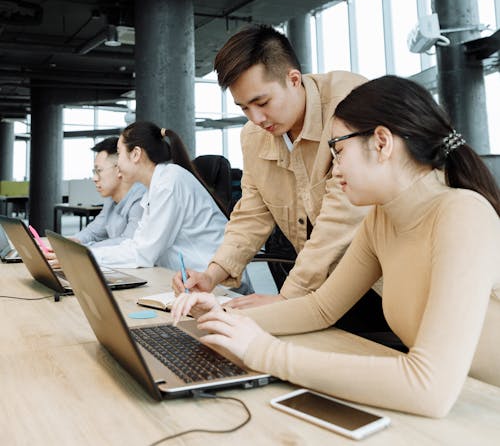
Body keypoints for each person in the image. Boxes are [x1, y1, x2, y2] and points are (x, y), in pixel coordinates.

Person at [171, 75, 500, 417]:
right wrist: (222, 316)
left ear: (382, 143)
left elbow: (428, 387)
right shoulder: (380, 219)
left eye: (339, 151)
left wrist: (264, 352)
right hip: (466, 404)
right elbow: (321, 308)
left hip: (481, 412)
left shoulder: (463, 214)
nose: (335, 170)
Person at [173, 25, 368, 312]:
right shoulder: (253, 137)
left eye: (262, 102)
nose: (256, 118)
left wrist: (289, 297)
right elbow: (251, 213)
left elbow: (343, 217)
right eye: (244, 108)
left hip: (382, 280)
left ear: (293, 79)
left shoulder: (349, 102)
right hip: (324, 288)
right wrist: (211, 275)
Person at [85, 122, 229, 271]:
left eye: (119, 153)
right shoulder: (156, 187)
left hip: (218, 284)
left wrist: (88, 256)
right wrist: (89, 254)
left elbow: (143, 253)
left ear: (135, 154)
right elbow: (137, 244)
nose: (117, 163)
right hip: (190, 278)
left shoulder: (168, 183)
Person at [70, 137, 145, 247]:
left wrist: (85, 249)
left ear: (119, 168)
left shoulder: (141, 199)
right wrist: (71, 242)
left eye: (99, 170)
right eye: (94, 171)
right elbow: (92, 232)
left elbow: (128, 244)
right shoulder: (111, 200)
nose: (94, 178)